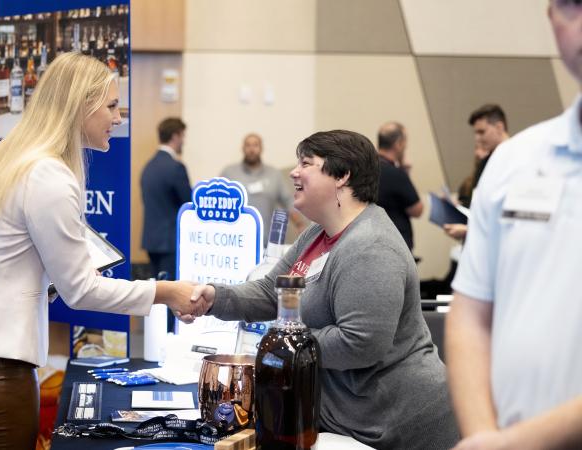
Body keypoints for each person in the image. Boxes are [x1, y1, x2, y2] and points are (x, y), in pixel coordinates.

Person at [0, 53, 205, 449]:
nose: (119, 119)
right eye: (112, 106)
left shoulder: (5, 160)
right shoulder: (49, 174)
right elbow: (81, 290)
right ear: (79, 105)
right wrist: (165, 292)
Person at [187, 130, 459, 449]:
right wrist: (214, 297)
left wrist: (282, 343)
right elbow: (269, 293)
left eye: (306, 163)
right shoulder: (318, 233)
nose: (293, 171)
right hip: (352, 418)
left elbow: (360, 343)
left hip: (395, 424)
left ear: (342, 176)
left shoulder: (370, 246)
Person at [446, 2, 582, 448]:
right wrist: (484, 435)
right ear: (551, 19)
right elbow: (470, 315)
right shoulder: (514, 162)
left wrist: (518, 442)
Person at [220, 133, 303, 245]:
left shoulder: (274, 174)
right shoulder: (229, 173)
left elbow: (288, 201)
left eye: (255, 145)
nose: (251, 149)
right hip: (235, 241)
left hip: (266, 241)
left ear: (261, 148)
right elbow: (218, 202)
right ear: (243, 148)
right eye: (248, 145)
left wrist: (299, 224)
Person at [443, 104, 509, 241]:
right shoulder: (486, 162)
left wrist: (470, 230)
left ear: (499, 127)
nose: (477, 139)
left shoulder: (518, 159)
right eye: (475, 133)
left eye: (482, 132)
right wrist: (458, 207)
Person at [140, 117, 191, 281]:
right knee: (170, 293)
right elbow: (188, 205)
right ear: (175, 136)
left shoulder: (148, 167)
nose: (184, 141)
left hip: (151, 240)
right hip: (170, 242)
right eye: (183, 136)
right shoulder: (176, 167)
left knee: (158, 292)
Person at [376, 121, 422, 251]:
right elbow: (417, 210)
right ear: (398, 144)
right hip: (396, 243)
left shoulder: (366, 168)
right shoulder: (396, 174)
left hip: (372, 240)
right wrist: (404, 173)